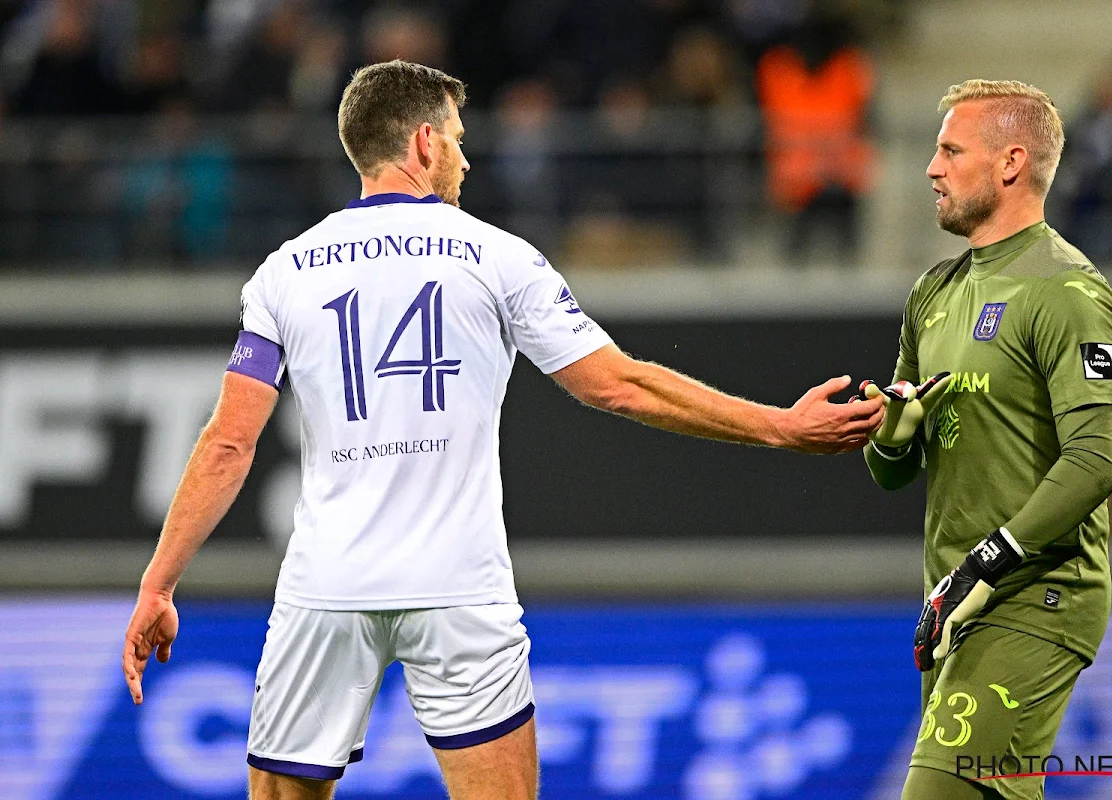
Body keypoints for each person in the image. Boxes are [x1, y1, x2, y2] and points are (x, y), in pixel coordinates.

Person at [122, 60, 885, 800]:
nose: (464, 155)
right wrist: (780, 428)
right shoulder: (496, 256)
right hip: (459, 583)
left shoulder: (285, 272)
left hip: (327, 586)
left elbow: (229, 442)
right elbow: (617, 386)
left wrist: (159, 583)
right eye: (455, 137)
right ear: (422, 142)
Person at [860, 80, 1112, 800]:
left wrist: (989, 562)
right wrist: (892, 433)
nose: (931, 168)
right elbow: (891, 470)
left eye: (950, 149)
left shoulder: (1067, 291)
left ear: (1011, 163)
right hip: (954, 605)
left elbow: (1097, 460)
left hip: (1036, 595)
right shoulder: (933, 293)